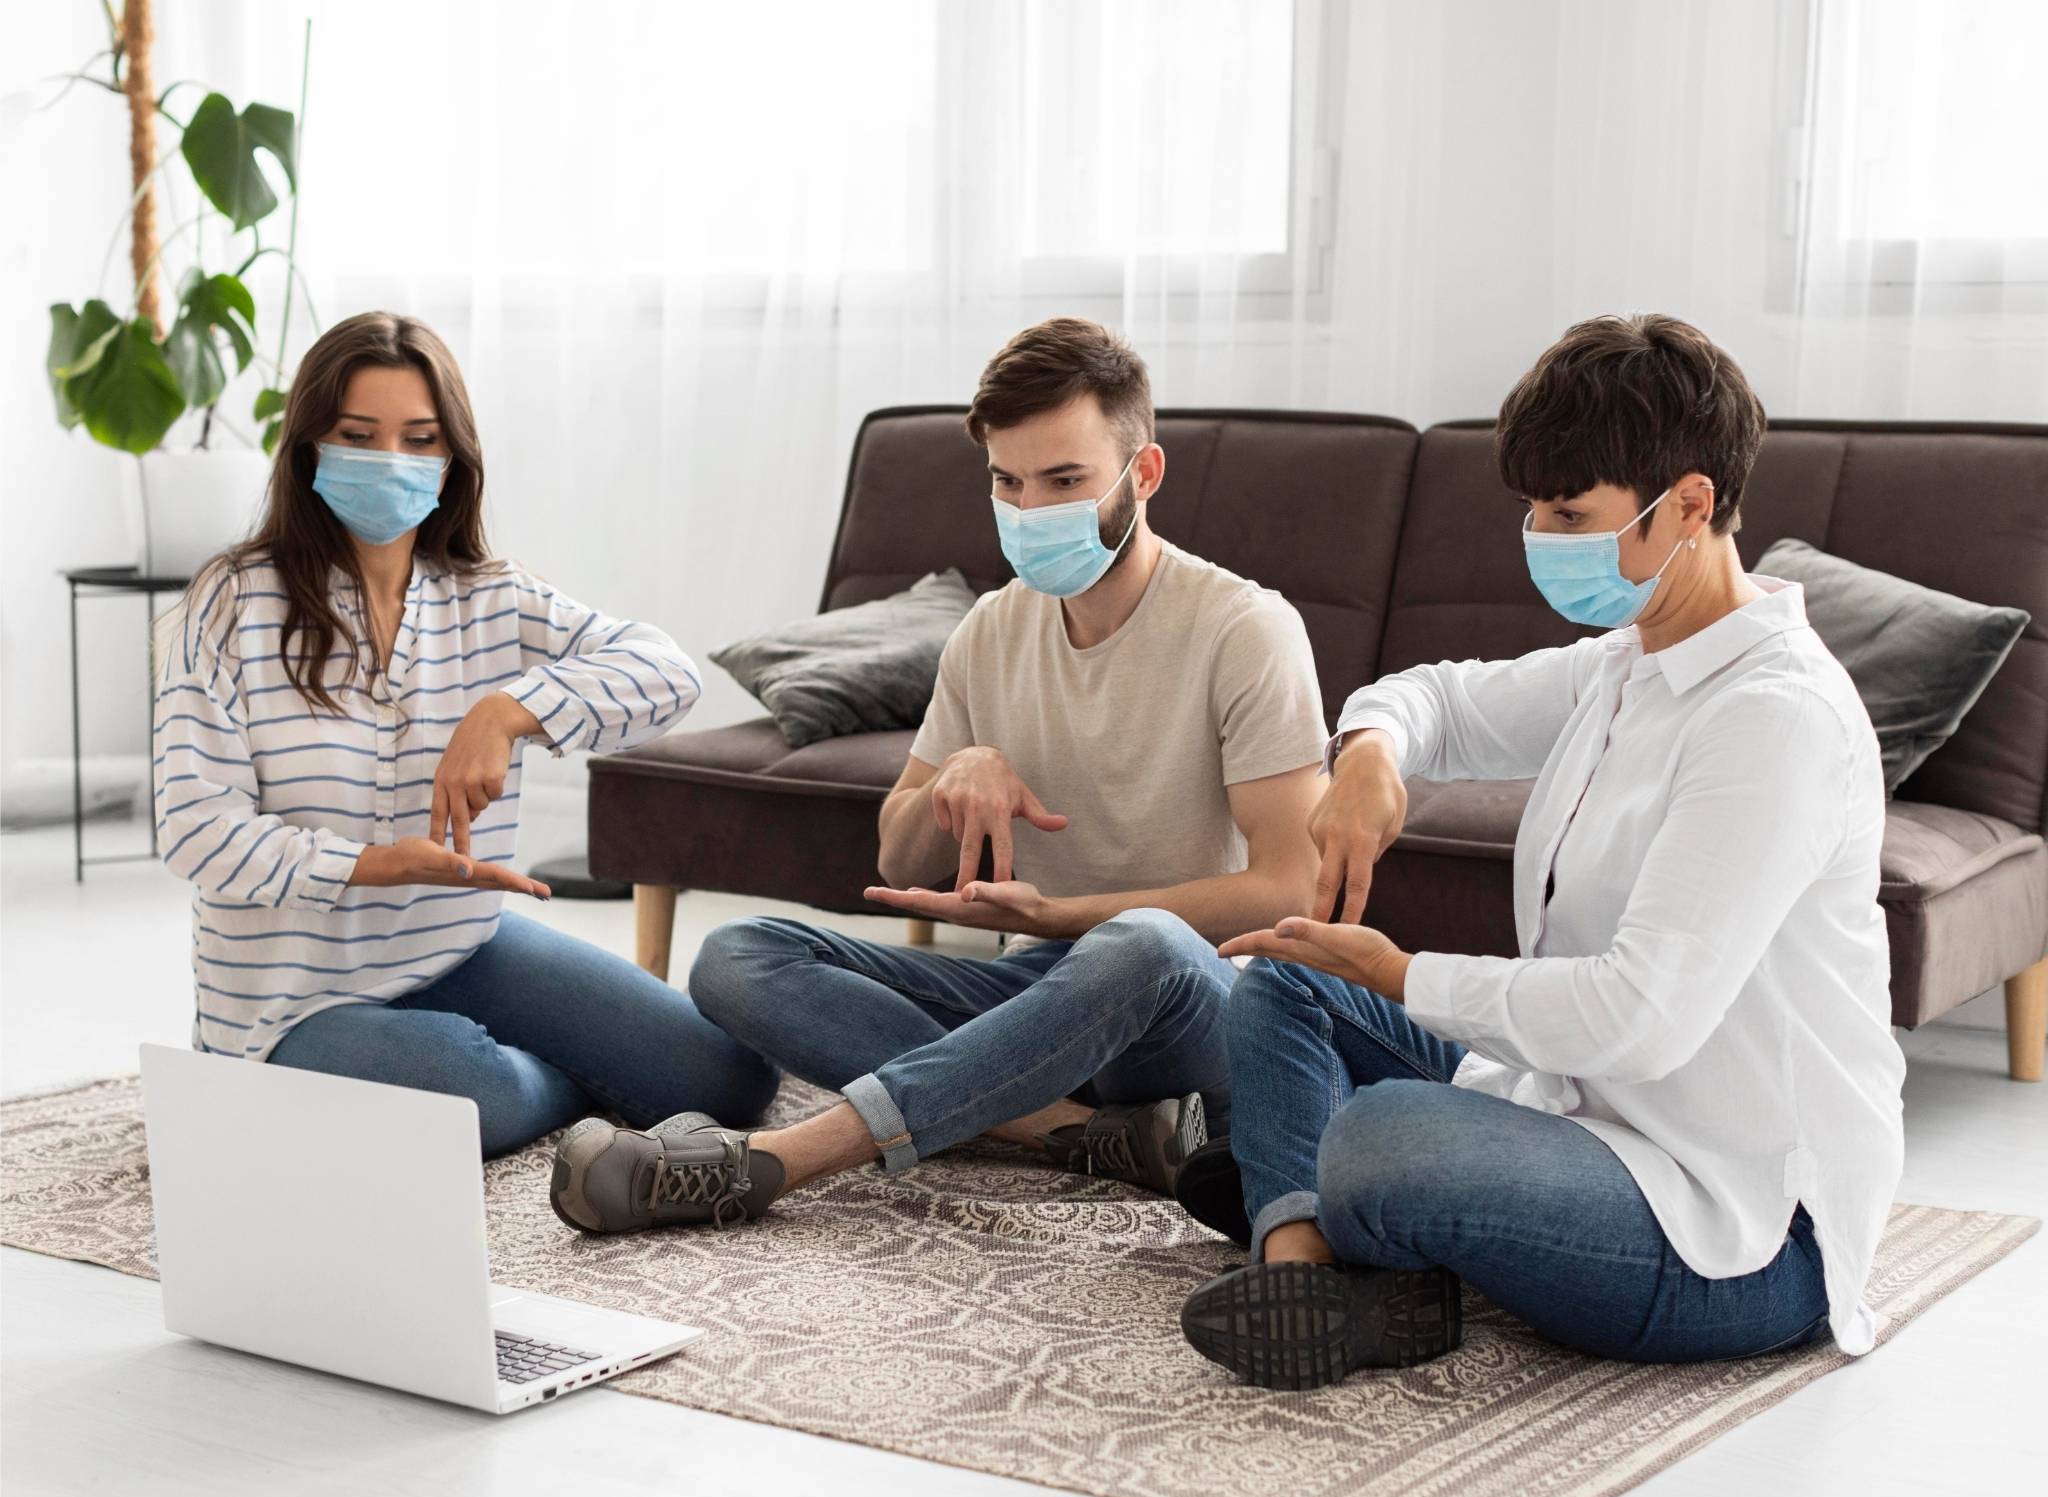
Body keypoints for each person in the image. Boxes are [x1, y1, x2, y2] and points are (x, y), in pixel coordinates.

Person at [1177, 314, 1905, 1388]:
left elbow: (1636, 1019)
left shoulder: (1770, 720)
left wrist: (1402, 974)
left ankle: (1304, 1186)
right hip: (1572, 1115)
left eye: (1569, 512)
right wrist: (1370, 754)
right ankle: (1306, 1256)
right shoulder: (1626, 666)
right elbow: (1433, 696)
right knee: (1286, 972)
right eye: (1531, 507)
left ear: (1690, 504)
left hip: (1733, 1230)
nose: (1538, 533)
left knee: (1383, 1140)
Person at [548, 317, 1329, 1235]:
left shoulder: (1245, 629)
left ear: (1142, 474)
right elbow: (899, 853)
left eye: (1065, 481)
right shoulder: (993, 628)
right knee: (739, 955)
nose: (1032, 510)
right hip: (1039, 994)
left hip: (1189, 1005)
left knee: (1142, 943)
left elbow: (1292, 888)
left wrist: (1064, 917)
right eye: (1009, 482)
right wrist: (959, 772)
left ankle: (776, 1162)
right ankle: (1072, 1134)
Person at [152, 311, 777, 1157]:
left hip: (460, 949)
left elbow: (668, 673)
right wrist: (372, 866)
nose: (393, 461)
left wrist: (509, 711)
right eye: (358, 436)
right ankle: (534, 1081)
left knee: (728, 1079)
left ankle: (522, 1077)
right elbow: (194, 829)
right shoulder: (231, 600)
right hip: (294, 1004)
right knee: (466, 1090)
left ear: (452, 458)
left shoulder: (488, 595)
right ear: (309, 448)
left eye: (420, 438)